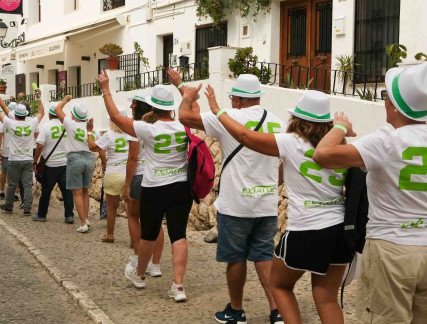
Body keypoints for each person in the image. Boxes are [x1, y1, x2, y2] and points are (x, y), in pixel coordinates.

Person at [195, 85, 351, 322]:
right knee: (326, 297)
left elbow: (245, 136)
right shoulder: (341, 147)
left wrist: (217, 110)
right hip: (339, 230)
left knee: (280, 286)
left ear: (297, 118)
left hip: (306, 229)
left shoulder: (291, 142)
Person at [313, 63, 427, 324]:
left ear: (396, 106)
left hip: (391, 249)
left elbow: (323, 155)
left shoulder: (387, 140)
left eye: (386, 95)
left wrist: (340, 126)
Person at [176, 72, 284, 324]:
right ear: (257, 97)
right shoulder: (277, 122)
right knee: (264, 256)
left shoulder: (228, 117)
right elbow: (285, 164)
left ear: (236, 99)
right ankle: (277, 311)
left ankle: (236, 312)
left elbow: (185, 117)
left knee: (236, 258)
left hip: (236, 204)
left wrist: (187, 96)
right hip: (266, 204)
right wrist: (271, 181)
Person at [98, 71, 193, 302]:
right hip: (181, 186)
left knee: (148, 234)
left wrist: (106, 89)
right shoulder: (184, 126)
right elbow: (193, 107)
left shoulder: (146, 129)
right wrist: (181, 86)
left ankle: (140, 275)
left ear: (152, 106)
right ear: (171, 107)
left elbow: (115, 116)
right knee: (178, 235)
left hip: (154, 187)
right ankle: (178, 286)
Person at [0, 88, 44, 215]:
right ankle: (27, 209)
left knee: (11, 184)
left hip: (14, 159)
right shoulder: (32, 124)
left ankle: (9, 207)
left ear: (16, 115)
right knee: (26, 185)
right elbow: (42, 112)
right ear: (25, 114)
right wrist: (38, 98)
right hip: (27, 159)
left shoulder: (11, 123)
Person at [123, 93, 165, 277]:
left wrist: (126, 185)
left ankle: (139, 256)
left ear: (140, 106)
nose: (131, 106)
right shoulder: (159, 125)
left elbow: (132, 158)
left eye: (133, 103)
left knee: (133, 216)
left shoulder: (136, 127)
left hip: (139, 176)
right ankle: (155, 264)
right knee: (157, 222)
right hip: (157, 176)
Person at [54, 97, 96, 233]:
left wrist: (65, 99)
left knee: (76, 193)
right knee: (85, 191)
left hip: (75, 158)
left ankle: (83, 223)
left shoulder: (70, 124)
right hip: (90, 158)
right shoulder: (91, 129)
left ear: (74, 114)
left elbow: (57, 109)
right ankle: (86, 218)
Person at [87, 107, 130, 243]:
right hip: (128, 173)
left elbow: (93, 147)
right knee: (131, 209)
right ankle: (134, 239)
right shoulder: (132, 134)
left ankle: (110, 235)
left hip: (113, 173)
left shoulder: (109, 135)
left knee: (112, 207)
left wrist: (89, 131)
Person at [32, 103, 74, 223]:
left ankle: (41, 215)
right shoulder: (66, 126)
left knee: (46, 191)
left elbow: (40, 146)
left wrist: (35, 161)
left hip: (50, 165)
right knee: (67, 191)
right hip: (65, 163)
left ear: (50, 115)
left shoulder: (45, 127)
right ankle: (69, 216)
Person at [0, 101, 20, 200]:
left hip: (6, 152)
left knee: (4, 172)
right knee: (16, 173)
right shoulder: (19, 123)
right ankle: (15, 193)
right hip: (16, 152)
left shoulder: (4, 123)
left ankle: (2, 191)